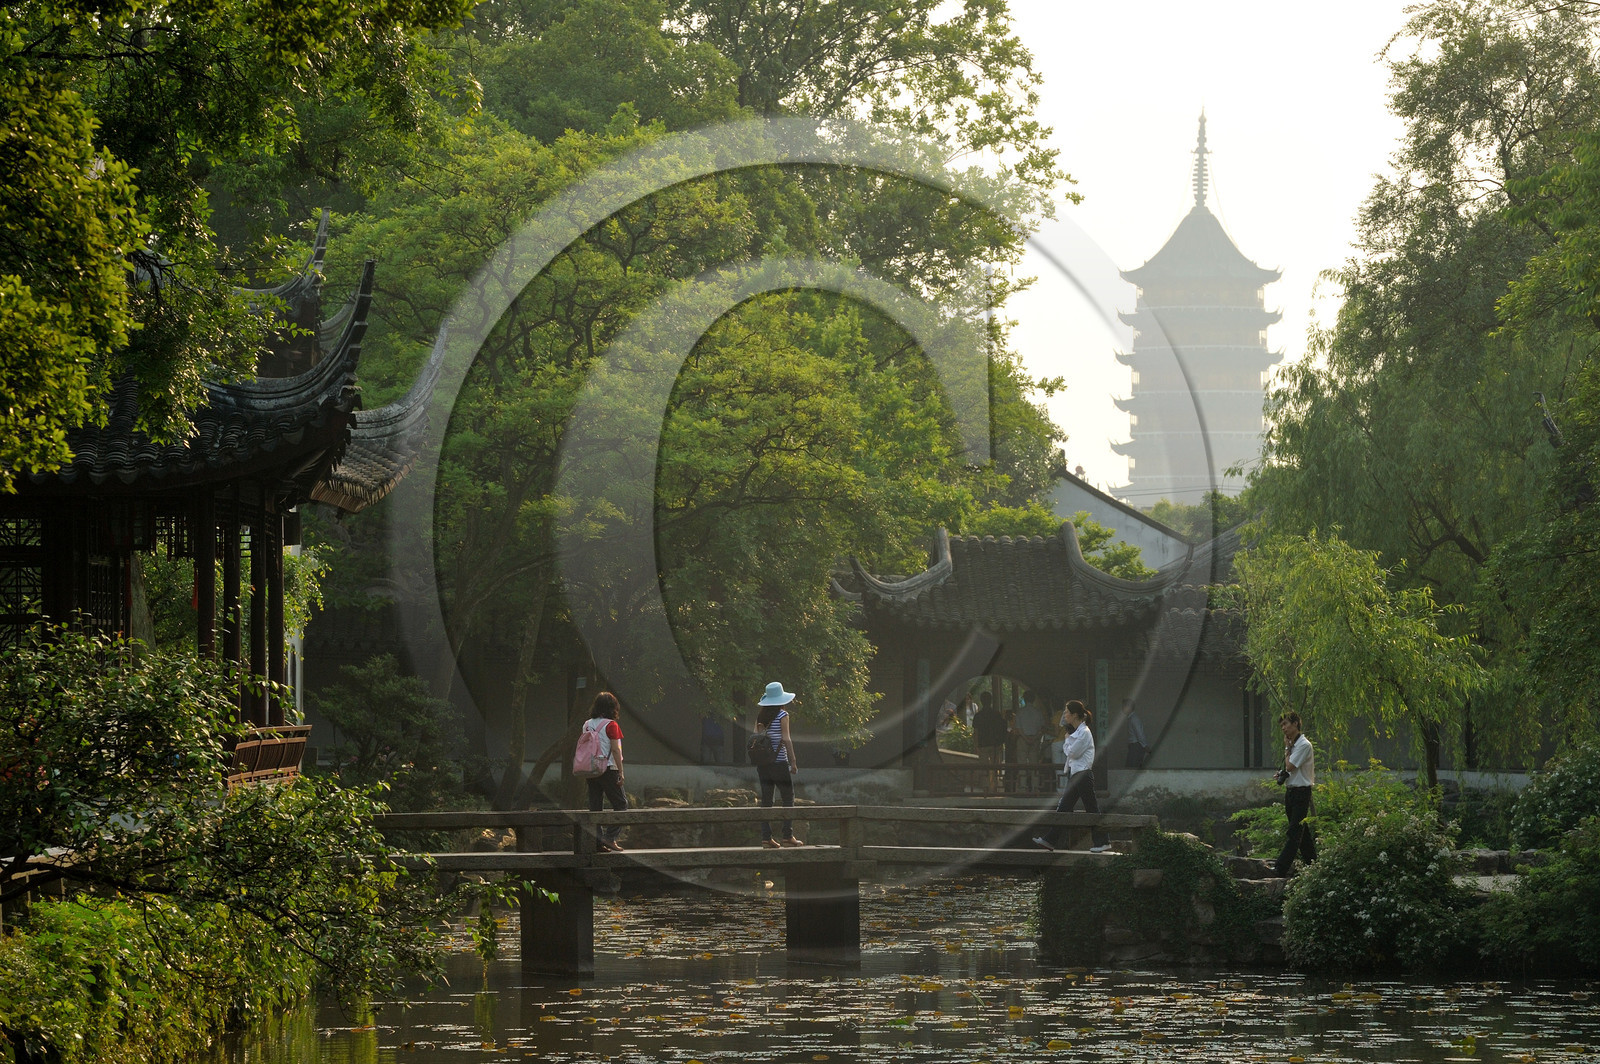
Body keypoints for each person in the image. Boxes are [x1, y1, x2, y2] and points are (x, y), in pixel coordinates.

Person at [1034, 700, 1109, 853]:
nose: (1065, 715)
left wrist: (1067, 741)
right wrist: (1068, 741)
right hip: (1077, 774)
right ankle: (1050, 840)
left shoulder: (1084, 732)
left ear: (1075, 715)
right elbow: (1070, 751)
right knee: (1064, 808)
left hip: (1083, 774)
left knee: (1092, 808)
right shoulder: (1077, 732)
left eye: (1067, 712)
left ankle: (1103, 841)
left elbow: (1072, 752)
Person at [754, 681, 803, 848]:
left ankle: (766, 838)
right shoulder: (783, 715)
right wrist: (793, 762)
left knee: (766, 800)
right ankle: (787, 836)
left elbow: (756, 737)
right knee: (788, 797)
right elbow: (786, 739)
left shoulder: (761, 717)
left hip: (763, 764)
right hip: (779, 763)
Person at [582, 691, 629, 852]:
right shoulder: (611, 725)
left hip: (591, 769)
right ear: (612, 708)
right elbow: (615, 750)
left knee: (595, 806)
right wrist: (621, 772)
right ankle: (609, 839)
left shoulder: (587, 724)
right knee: (621, 804)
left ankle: (596, 842)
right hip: (608, 769)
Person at [1274, 711, 1317, 877]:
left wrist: (1286, 747)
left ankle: (1280, 868)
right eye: (1282, 725)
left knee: (1294, 831)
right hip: (1291, 792)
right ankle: (1313, 864)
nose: (1283, 728)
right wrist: (1281, 774)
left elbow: (1290, 766)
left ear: (1296, 724)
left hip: (1301, 793)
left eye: (1285, 724)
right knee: (1302, 833)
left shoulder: (1303, 745)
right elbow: (1289, 771)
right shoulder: (1294, 745)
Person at [972, 692, 1007, 787]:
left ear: (981, 701)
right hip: (995, 745)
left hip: (983, 745)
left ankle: (985, 788)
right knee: (995, 768)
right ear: (991, 701)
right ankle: (994, 786)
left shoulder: (978, 716)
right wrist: (1001, 744)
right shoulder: (997, 714)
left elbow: (976, 732)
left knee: (984, 768)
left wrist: (976, 745)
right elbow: (1001, 730)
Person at [1121, 698, 1150, 768]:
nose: (1123, 708)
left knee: (1132, 768)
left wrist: (1145, 746)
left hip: (1136, 746)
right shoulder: (1132, 718)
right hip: (1135, 746)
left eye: (1124, 706)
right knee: (1133, 767)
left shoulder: (1134, 719)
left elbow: (1139, 734)